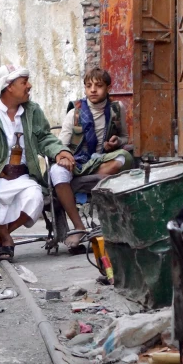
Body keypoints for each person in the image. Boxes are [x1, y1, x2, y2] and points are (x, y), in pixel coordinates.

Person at [0, 64, 74, 262]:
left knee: (35, 198)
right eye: (24, 82)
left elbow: (44, 138)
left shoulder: (32, 111)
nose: (29, 86)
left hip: (23, 177)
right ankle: (6, 240)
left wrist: (60, 151)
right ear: (9, 86)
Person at [51, 68, 133, 252]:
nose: (93, 90)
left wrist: (116, 142)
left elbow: (125, 139)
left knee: (124, 157)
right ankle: (79, 226)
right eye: (89, 86)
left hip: (100, 161)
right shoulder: (75, 112)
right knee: (56, 171)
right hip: (78, 163)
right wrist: (64, 157)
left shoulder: (116, 109)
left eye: (98, 86)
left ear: (108, 88)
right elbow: (60, 145)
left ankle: (80, 184)